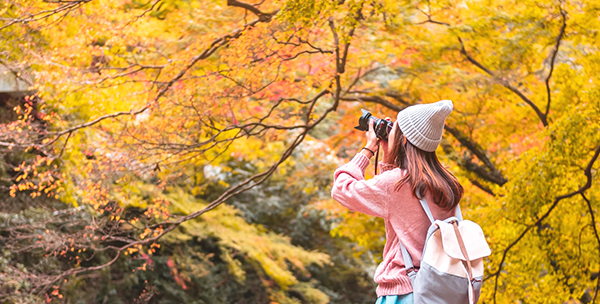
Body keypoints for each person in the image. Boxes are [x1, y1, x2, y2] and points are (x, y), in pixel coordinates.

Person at [331, 100, 464, 304]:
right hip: (436, 292)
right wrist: (389, 157)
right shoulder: (447, 184)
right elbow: (401, 210)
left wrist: (368, 149)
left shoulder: (398, 183)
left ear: (403, 140)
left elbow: (342, 189)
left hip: (403, 293)